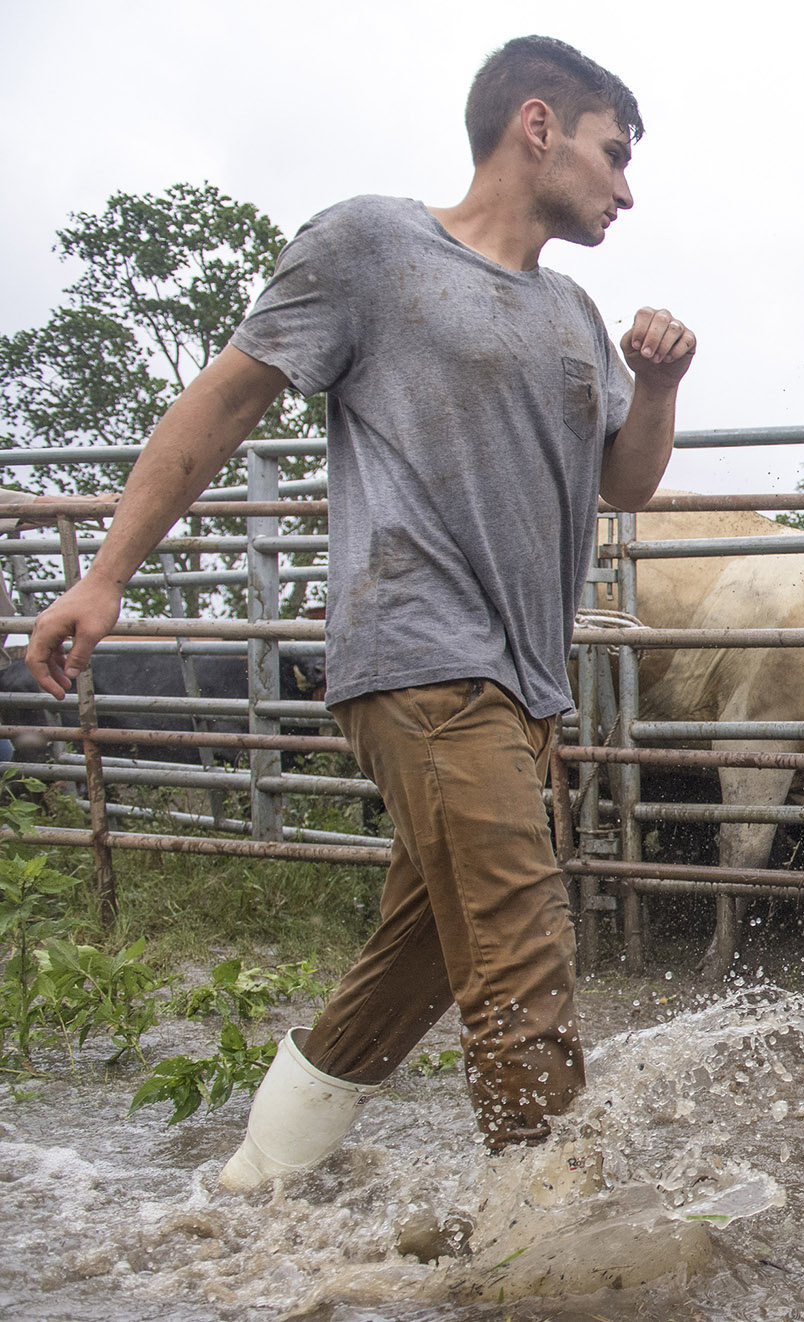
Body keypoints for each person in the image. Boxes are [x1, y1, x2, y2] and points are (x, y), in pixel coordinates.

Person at [23, 35, 696, 1187]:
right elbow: (222, 403)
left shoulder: (574, 312)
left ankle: (259, 1178)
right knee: (523, 959)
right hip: (422, 659)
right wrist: (106, 574)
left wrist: (664, 386)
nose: (625, 187)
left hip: (525, 684)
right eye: (613, 154)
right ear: (538, 127)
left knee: (431, 948)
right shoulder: (372, 246)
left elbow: (626, 483)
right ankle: (554, 1239)